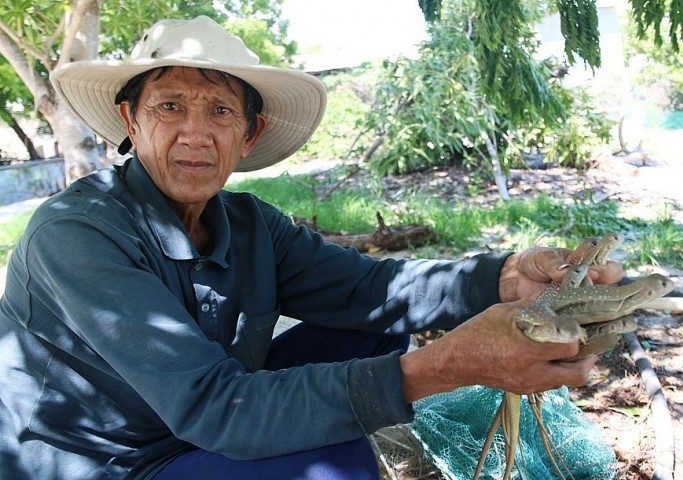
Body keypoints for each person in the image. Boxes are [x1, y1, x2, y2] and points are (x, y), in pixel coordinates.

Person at [0, 16, 622, 480]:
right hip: (109, 461)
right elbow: (216, 408)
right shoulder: (78, 234)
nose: (195, 133)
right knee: (336, 467)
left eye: (220, 110)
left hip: (203, 416)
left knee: (376, 327)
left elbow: (372, 292)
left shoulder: (247, 223)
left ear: (250, 134)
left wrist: (508, 279)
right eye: (169, 106)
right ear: (130, 122)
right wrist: (450, 366)